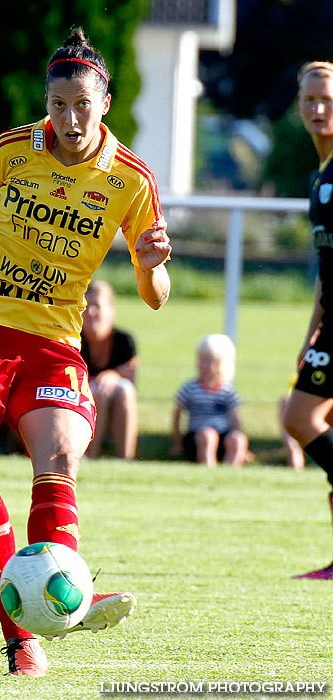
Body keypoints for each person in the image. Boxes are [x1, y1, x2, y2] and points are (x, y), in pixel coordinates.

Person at [0, 27, 171, 677]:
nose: (67, 118)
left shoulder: (129, 179)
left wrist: (151, 266)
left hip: (52, 342)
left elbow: (155, 295)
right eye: (57, 104)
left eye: (81, 105)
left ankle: (59, 599)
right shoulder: (6, 150)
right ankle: (19, 634)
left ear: (105, 102)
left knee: (59, 454)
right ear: (47, 101)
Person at [282, 61, 333, 579]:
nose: (319, 109)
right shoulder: (320, 174)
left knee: (299, 419)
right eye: (310, 100)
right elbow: (325, 267)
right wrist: (311, 333)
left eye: (328, 99)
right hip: (329, 323)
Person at [80, 280, 139, 459]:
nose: (91, 313)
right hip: (82, 403)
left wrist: (113, 375)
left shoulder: (124, 341)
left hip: (115, 407)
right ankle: (89, 456)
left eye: (97, 306)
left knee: (125, 390)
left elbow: (131, 376)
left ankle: (126, 458)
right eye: (86, 306)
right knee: (98, 391)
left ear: (111, 310)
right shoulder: (74, 340)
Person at [171, 334, 249, 468]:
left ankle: (231, 468)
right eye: (201, 360)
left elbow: (235, 419)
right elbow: (177, 413)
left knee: (238, 439)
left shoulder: (227, 391)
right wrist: (177, 443)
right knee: (208, 435)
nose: (203, 365)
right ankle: (208, 468)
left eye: (209, 361)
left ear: (221, 365)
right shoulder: (190, 388)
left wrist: (242, 444)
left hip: (222, 436)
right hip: (197, 437)